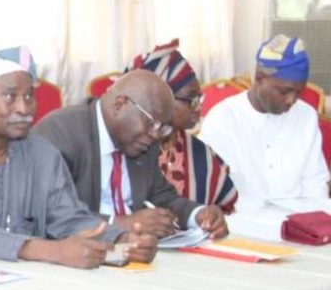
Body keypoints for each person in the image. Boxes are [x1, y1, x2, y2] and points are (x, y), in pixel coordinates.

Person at [0, 47, 156, 268]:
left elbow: (68, 218)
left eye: (29, 96)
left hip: (24, 282)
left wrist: (122, 239)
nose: (24, 108)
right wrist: (54, 251)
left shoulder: (42, 154)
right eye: (11, 96)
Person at [34, 70, 228, 239]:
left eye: (164, 128)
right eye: (152, 124)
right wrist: (121, 224)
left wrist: (198, 214)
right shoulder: (60, 133)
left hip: (135, 252)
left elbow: (161, 196)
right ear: (119, 105)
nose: (156, 135)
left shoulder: (143, 140)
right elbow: (50, 211)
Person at [198, 34, 329, 209]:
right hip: (241, 225)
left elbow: (315, 183)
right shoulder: (224, 119)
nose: (291, 100)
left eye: (298, 92)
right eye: (284, 91)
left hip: (299, 224)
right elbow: (214, 190)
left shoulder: (306, 116)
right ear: (259, 78)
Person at [125, 39, 238, 213]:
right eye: (190, 99)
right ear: (158, 100)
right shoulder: (127, 150)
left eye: (198, 98)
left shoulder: (198, 152)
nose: (198, 108)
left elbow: (224, 207)